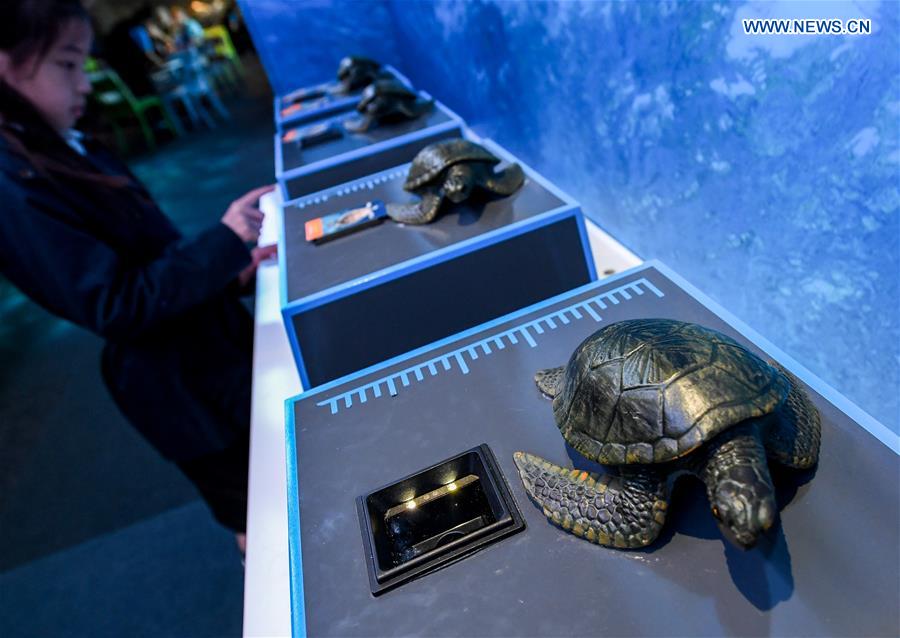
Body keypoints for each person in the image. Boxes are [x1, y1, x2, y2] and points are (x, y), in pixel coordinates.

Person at [0, 0, 273, 552]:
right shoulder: (14, 185)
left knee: (278, 471)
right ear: (7, 66)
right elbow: (116, 302)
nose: (85, 85)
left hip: (210, 351)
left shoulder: (66, 146)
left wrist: (231, 272)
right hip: (181, 389)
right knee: (258, 515)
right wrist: (224, 239)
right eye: (67, 65)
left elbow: (150, 258)